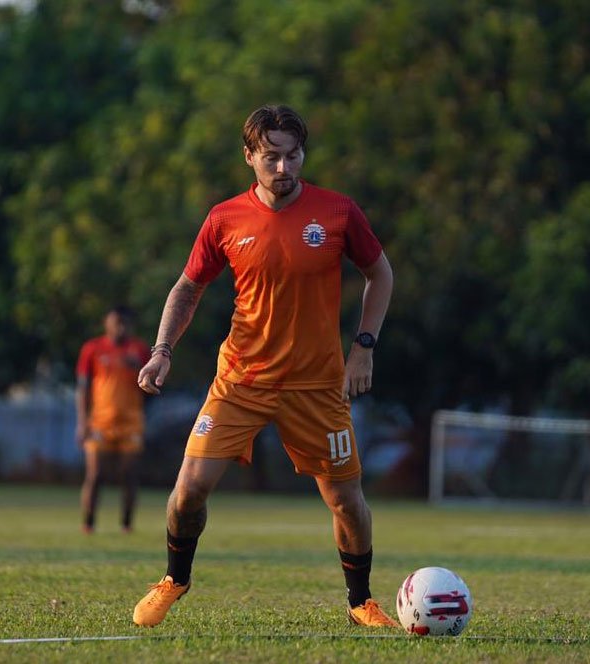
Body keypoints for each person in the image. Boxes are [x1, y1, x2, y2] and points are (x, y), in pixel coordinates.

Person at [132, 105, 396, 628]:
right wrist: (162, 349)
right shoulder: (224, 218)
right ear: (249, 156)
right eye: (271, 157)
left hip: (317, 385)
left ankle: (360, 601)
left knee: (345, 499)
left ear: (303, 154)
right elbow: (188, 288)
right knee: (188, 491)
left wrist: (363, 346)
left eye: (292, 155)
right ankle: (174, 579)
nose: (283, 168)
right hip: (241, 380)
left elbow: (380, 275)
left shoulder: (338, 212)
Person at [75, 305, 150, 534]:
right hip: (100, 421)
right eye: (115, 322)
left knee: (129, 475)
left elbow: (154, 386)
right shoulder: (92, 349)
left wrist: (139, 368)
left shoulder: (140, 350)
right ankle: (88, 523)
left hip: (131, 422)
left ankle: (126, 525)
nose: (119, 328)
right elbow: (82, 388)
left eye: (124, 323)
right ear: (106, 324)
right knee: (95, 474)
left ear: (130, 326)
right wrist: (82, 422)